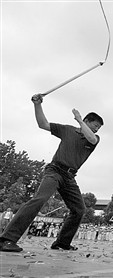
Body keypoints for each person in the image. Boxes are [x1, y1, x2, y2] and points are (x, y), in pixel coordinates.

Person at [0, 93, 103, 252]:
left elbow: (92, 139)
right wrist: (37, 105)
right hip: (55, 170)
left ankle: (62, 242)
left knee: (79, 209)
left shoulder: (94, 138)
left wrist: (79, 119)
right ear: (88, 121)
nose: (97, 129)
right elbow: (43, 124)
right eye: (95, 125)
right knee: (39, 199)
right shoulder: (67, 130)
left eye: (98, 127)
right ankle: (7, 239)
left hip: (69, 177)